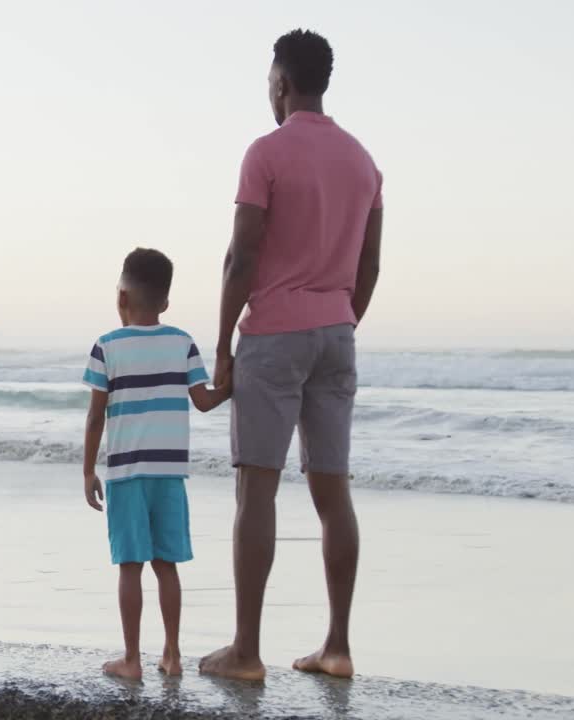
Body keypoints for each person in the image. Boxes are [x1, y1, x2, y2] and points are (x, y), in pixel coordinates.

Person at [198, 29, 384, 682]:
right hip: (338, 333)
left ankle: (246, 652)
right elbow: (370, 263)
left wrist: (223, 346)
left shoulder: (266, 153)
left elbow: (241, 256)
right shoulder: (364, 163)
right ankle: (337, 647)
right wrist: (338, 319)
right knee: (334, 492)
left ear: (281, 83)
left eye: (269, 84)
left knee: (257, 489)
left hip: (274, 336)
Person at [82, 247, 230, 681]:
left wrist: (88, 469)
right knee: (167, 565)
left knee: (130, 566)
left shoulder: (106, 346)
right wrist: (232, 381)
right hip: (170, 473)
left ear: (121, 297)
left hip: (126, 473)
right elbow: (203, 401)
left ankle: (132, 659)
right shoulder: (182, 342)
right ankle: (173, 654)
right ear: (165, 302)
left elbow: (96, 416)